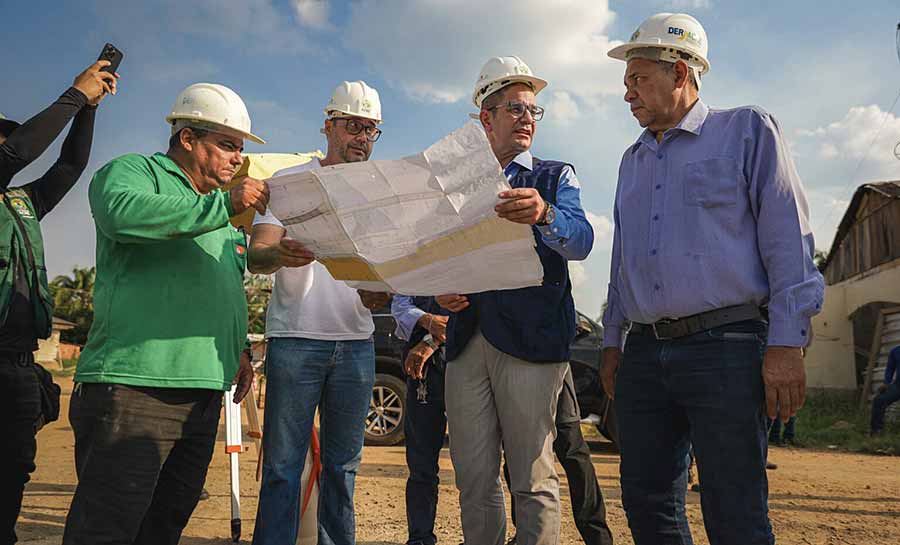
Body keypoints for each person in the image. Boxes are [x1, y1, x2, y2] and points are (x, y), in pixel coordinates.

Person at [600, 12, 824, 545]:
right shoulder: (632, 161)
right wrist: (612, 341)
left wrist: (787, 343)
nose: (627, 93)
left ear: (681, 73)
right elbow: (621, 262)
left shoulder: (746, 130)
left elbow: (788, 240)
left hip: (727, 347)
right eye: (626, 82)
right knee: (647, 504)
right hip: (646, 356)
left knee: (734, 509)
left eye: (639, 79)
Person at [62, 82, 267, 545]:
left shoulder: (215, 212)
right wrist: (227, 204)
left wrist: (237, 349)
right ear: (188, 138)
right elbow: (121, 213)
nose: (238, 158)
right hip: (136, 386)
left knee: (164, 525)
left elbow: (226, 284)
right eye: (228, 145)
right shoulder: (134, 173)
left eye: (240, 148)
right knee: (108, 528)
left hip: (202, 391)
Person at [436, 56, 594, 545]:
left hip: (532, 341)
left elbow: (582, 241)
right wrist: (437, 291)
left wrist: (546, 215)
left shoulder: (553, 177)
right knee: (473, 477)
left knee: (531, 475)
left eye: (532, 110)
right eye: (515, 108)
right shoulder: (455, 186)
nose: (527, 118)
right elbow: (435, 254)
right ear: (486, 118)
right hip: (466, 343)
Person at [249, 80, 391, 545]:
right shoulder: (290, 183)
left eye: (372, 130)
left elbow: (384, 282)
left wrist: (380, 296)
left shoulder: (380, 196)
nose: (363, 138)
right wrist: (282, 254)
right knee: (283, 466)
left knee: (343, 466)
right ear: (330, 125)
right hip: (296, 340)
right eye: (354, 126)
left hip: (356, 344)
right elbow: (257, 254)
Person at [0, 60, 117, 545]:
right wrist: (73, 95)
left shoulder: (20, 202)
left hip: (17, 365)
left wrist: (88, 108)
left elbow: (69, 166)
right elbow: (17, 152)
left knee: (11, 474)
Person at [391, 295, 450, 545]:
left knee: (479, 464)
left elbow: (475, 303)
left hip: (469, 361)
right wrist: (427, 321)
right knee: (421, 463)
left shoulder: (470, 257)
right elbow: (400, 305)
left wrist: (432, 339)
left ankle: (486, 536)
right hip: (423, 368)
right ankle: (420, 538)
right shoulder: (411, 257)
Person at [870, 345, 900, 435]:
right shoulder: (895, 351)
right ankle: (876, 431)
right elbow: (890, 368)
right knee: (879, 400)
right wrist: (886, 382)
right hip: (898, 385)